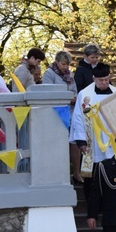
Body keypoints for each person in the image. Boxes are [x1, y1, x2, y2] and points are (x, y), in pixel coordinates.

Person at [70, 63, 116, 202]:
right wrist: (81, 140)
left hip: (111, 140)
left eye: (106, 80)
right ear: (94, 78)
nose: (104, 83)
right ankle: (93, 204)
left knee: (111, 171)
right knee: (92, 173)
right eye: (100, 80)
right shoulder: (85, 95)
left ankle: (109, 202)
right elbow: (78, 117)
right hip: (92, 142)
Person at [43, 51, 81, 185]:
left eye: (67, 64)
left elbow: (74, 90)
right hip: (56, 112)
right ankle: (59, 173)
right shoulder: (49, 73)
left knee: (74, 143)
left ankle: (77, 173)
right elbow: (48, 92)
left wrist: (74, 97)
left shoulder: (70, 75)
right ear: (57, 62)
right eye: (63, 64)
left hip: (70, 111)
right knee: (59, 144)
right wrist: (66, 97)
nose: (65, 67)